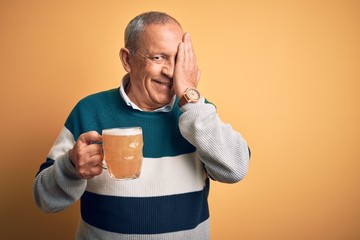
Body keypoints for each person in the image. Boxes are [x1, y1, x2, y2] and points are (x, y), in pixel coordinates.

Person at [33, 11, 250, 240]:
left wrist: (190, 97)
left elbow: (235, 170)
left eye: (178, 59)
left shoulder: (197, 114)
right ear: (127, 60)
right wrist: (70, 167)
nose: (169, 71)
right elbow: (45, 200)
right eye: (158, 57)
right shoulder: (89, 111)